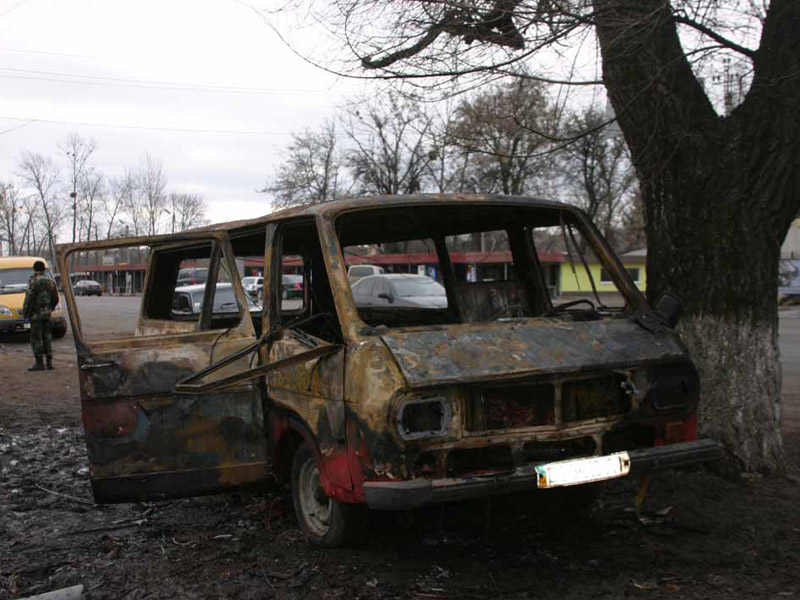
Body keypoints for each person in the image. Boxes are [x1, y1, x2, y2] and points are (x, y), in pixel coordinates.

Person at [22, 260, 60, 371]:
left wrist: (26, 313)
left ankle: (39, 363)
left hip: (36, 315)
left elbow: (29, 299)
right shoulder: (51, 282)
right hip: (47, 314)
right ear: (43, 269)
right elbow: (56, 298)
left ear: (35, 270)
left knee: (36, 338)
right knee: (47, 337)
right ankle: (49, 362)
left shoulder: (34, 282)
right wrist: (49, 308)